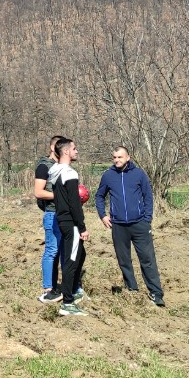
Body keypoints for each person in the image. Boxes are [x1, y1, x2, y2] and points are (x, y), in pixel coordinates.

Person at [95, 146, 165, 307]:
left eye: (120, 157)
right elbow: (99, 196)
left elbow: (148, 196)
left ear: (128, 157)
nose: (117, 160)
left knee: (147, 259)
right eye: (114, 157)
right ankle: (132, 290)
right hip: (118, 226)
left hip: (140, 224)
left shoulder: (139, 174)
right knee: (124, 260)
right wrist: (103, 215)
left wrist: (147, 218)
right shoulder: (108, 176)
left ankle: (156, 293)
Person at [49, 137, 88, 317]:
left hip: (61, 220)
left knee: (77, 256)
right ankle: (68, 302)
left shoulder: (55, 172)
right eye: (74, 148)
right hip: (71, 223)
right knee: (71, 261)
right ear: (65, 151)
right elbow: (75, 204)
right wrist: (82, 227)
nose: (76, 151)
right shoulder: (70, 173)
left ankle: (71, 292)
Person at [35, 135, 66, 304]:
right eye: (57, 146)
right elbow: (39, 192)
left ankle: (60, 287)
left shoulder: (61, 166)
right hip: (52, 213)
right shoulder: (43, 166)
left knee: (62, 252)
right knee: (51, 251)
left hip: (64, 215)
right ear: (52, 147)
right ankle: (48, 290)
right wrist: (61, 196)